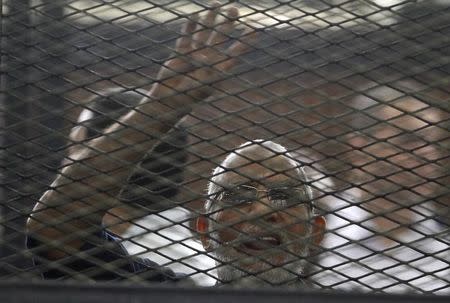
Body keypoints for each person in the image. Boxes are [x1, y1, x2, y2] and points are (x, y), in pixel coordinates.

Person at [26, 5, 326, 287]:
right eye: (237, 197)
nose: (262, 210)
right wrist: (164, 105)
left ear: (316, 231)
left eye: (284, 197)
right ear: (204, 231)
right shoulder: (168, 294)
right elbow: (56, 231)